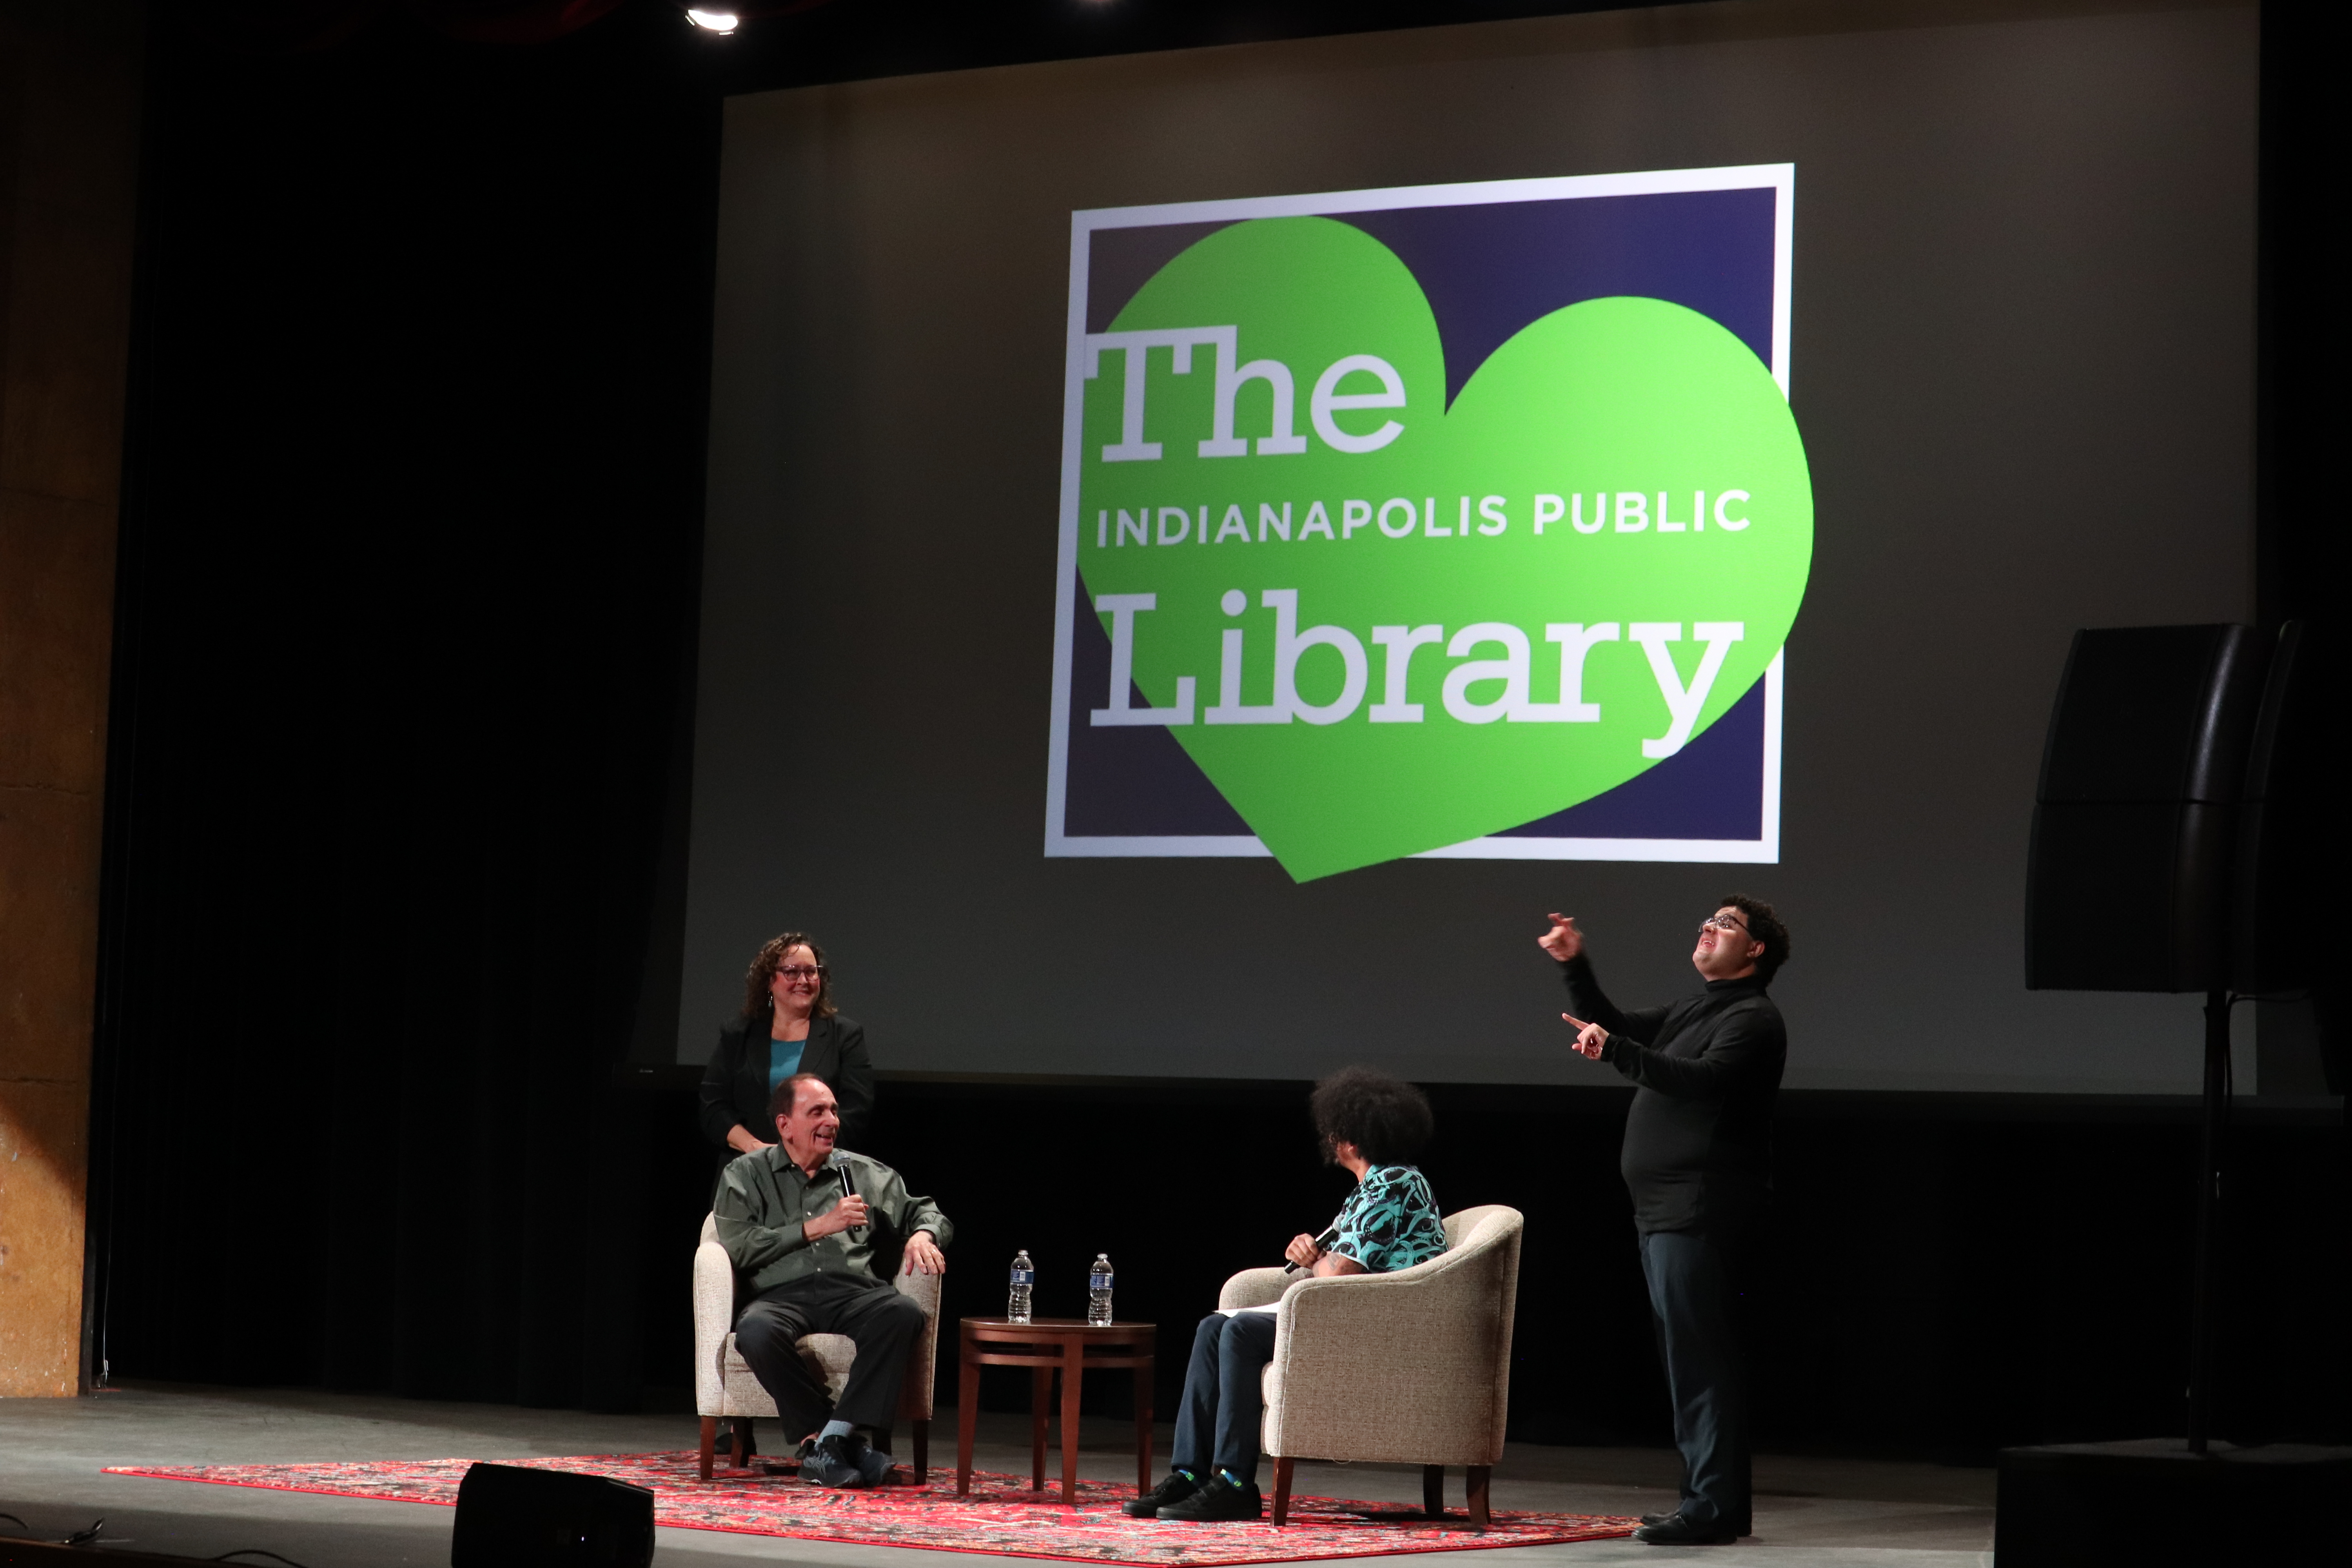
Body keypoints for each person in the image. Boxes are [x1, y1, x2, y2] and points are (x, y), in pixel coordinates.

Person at [1539, 895, 1790, 1547]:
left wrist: (1617, 1051)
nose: (1709, 927)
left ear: (1756, 950)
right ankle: (1714, 1505)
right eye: (1709, 919)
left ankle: (1712, 1507)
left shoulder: (1755, 1019)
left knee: (1703, 1361)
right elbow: (1614, 1023)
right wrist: (1577, 967)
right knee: (1690, 1361)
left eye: (1728, 924)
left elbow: (1699, 1079)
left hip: (1700, 1211)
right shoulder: (1694, 1008)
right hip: (1663, 1215)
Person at [1129, 1066, 1447, 1523]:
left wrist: (1314, 1256)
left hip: (1379, 1326)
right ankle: (1192, 1474)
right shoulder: (1369, 1189)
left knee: (1237, 1332)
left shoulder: (1394, 1183)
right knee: (1212, 1327)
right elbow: (1335, 1266)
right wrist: (1318, 1257)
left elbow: (1336, 1276)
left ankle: (1236, 1483)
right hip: (1352, 1314)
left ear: (1351, 1138)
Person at [714, 1071, 950, 1488]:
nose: (832, 1121)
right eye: (817, 1111)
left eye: (835, 1111)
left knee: (901, 1312)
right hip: (780, 1294)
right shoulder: (746, 1174)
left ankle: (829, 1442)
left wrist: (922, 1233)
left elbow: (926, 1210)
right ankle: (845, 1444)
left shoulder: (864, 1172)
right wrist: (819, 1226)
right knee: (755, 1330)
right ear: (785, 1124)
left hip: (852, 1291)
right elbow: (741, 1246)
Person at [701, 932, 876, 1186]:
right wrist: (755, 1149)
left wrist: (800, 1154)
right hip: (745, 1176)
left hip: (817, 1178)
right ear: (770, 980)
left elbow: (856, 1111)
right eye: (792, 972)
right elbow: (712, 1107)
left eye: (812, 972)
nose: (804, 980)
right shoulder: (738, 1034)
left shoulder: (845, 1036)